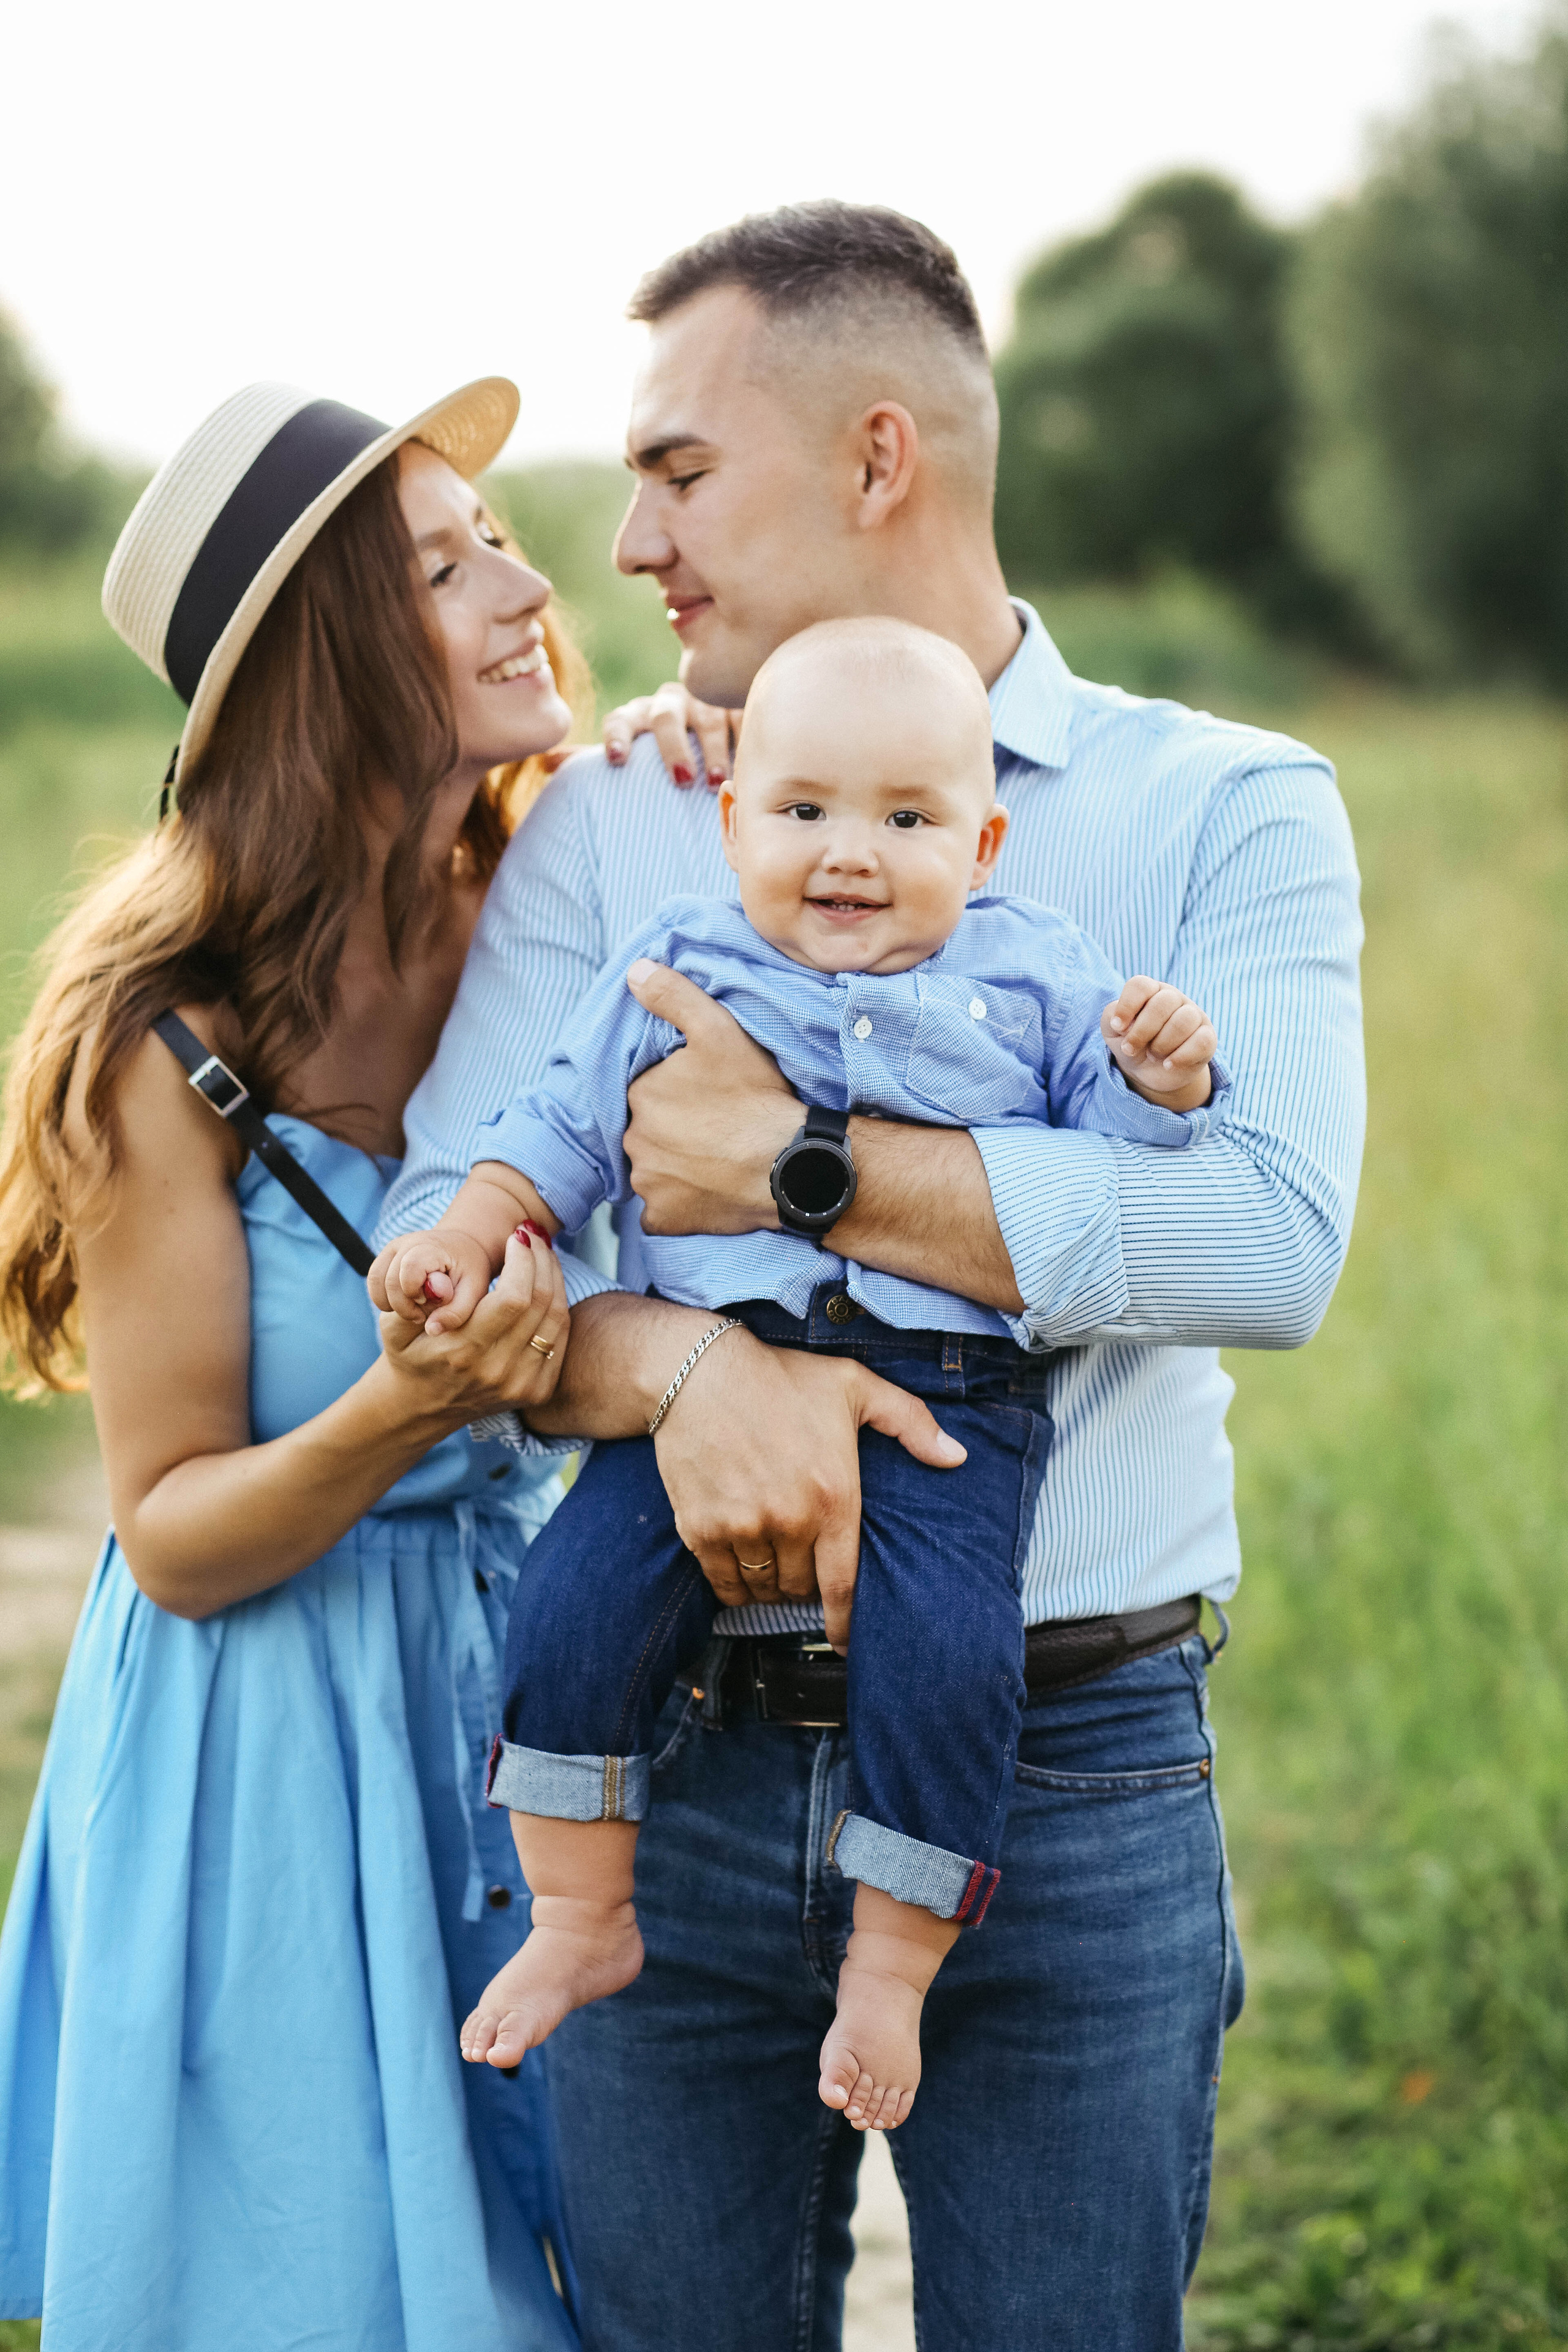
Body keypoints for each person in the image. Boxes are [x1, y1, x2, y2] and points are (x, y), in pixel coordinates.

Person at [381, 200, 1366, 2351]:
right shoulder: (622, 817)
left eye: (677, 469)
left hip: (1070, 1766)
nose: (626, 543)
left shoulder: (1223, 809)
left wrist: (805, 1169)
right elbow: (450, 1226)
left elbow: (1269, 1242)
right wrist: (675, 1373)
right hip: (679, 1755)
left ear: (878, 459)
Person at [375, 613, 1225, 2136]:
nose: (849, 852)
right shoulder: (671, 965)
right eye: (803, 810)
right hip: (685, 1393)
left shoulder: (1038, 975)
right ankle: (579, 1913)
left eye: (905, 820)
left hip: (947, 1401)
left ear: (983, 839)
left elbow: (1116, 1169)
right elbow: (555, 1134)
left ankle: (891, 1970)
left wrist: (1160, 1086)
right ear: (730, 821)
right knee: (570, 1603)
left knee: (949, 1660)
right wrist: (467, 1230)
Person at [0, 375, 605, 2352]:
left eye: (498, 533)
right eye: (447, 564)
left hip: (533, 1689)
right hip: (266, 1744)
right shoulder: (157, 1035)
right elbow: (170, 1533)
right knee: (315, 2288)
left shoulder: (562, 897)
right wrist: (405, 1406)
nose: (528, 586)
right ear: (330, 659)